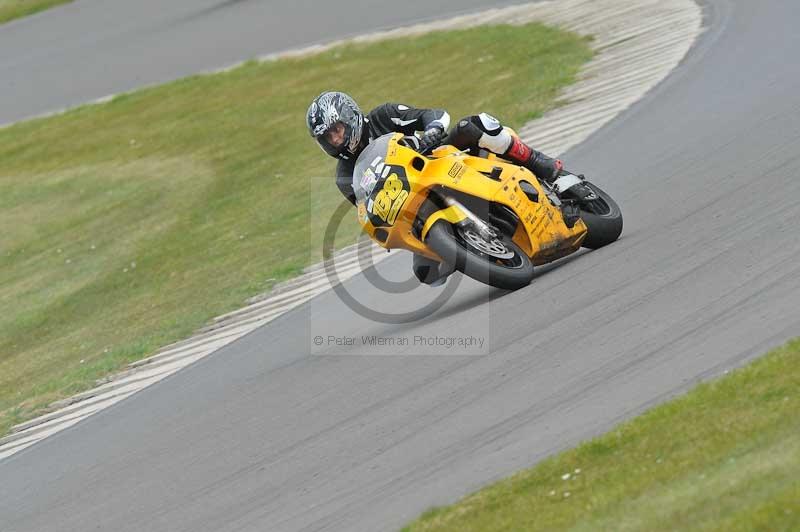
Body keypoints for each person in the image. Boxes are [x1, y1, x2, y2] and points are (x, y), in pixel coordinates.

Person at [305, 91, 569, 284]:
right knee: (426, 274)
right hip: (418, 206)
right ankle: (471, 248)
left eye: (337, 129)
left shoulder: (383, 116)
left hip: (442, 160)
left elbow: (433, 115)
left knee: (474, 126)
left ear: (350, 117)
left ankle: (541, 164)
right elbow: (370, 207)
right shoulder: (344, 176)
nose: (336, 139)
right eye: (328, 137)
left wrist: (431, 130)